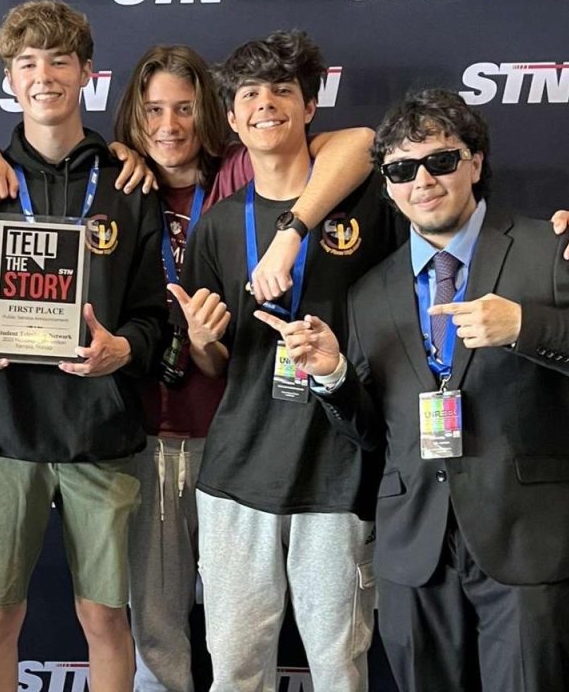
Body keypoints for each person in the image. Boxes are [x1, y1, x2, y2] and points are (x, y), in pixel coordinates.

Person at [279, 88, 569, 692]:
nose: (422, 180)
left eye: (441, 161)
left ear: (476, 162)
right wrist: (333, 376)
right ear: (387, 185)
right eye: (402, 169)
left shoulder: (552, 249)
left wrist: (527, 327)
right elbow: (372, 432)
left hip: (529, 539)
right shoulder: (369, 292)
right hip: (415, 547)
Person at [104, 43, 375, 692]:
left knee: (320, 652)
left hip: (244, 440)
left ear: (211, 115)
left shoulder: (235, 177)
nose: (169, 125)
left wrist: (290, 231)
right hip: (150, 436)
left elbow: (362, 141)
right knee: (165, 635)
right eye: (153, 112)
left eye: (184, 109)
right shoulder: (117, 185)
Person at [0, 0, 167, 692]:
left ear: (87, 71)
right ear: (9, 77)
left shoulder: (128, 183)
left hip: (100, 429)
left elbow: (155, 315)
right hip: (1, 426)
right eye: (27, 62)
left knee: (104, 616)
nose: (44, 75)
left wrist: (123, 349)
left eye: (59, 59)